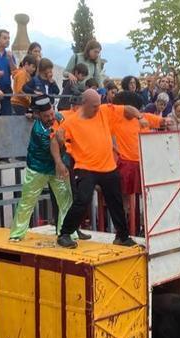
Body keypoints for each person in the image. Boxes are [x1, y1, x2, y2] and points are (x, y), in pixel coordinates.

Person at [55, 89, 141, 248]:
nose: (97, 108)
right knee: (83, 199)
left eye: (98, 105)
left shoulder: (104, 111)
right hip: (85, 166)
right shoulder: (71, 122)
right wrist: (59, 162)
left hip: (108, 166)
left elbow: (126, 109)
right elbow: (55, 140)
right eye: (94, 106)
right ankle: (65, 234)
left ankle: (122, 236)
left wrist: (139, 116)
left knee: (116, 201)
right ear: (84, 104)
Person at [9, 96, 72, 241]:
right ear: (38, 115)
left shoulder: (59, 117)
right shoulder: (39, 131)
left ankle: (67, 232)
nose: (51, 117)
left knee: (65, 199)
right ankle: (17, 233)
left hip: (56, 167)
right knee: (28, 201)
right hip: (38, 168)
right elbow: (57, 147)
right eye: (46, 116)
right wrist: (63, 141)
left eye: (51, 113)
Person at [109, 91, 166, 219]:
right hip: (122, 164)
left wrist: (169, 121)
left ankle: (136, 224)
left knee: (144, 198)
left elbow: (163, 121)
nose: (137, 111)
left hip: (141, 164)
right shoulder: (114, 118)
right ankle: (122, 225)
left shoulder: (143, 116)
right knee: (123, 199)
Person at [0, 29, 17, 116]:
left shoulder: (10, 55)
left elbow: (15, 73)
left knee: (7, 116)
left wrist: (10, 59)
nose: (7, 40)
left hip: (6, 90)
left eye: (8, 38)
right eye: (4, 38)